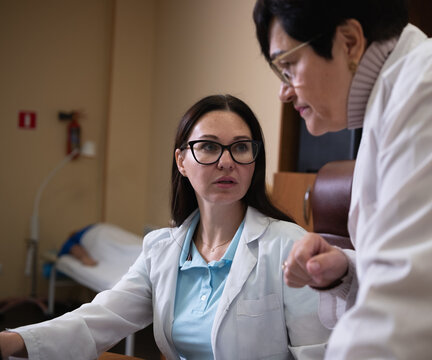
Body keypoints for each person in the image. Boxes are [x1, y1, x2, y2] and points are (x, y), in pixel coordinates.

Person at [253, 0, 432, 359]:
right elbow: (429, 271)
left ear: (349, 42)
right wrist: (347, 272)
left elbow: (402, 323)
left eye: (289, 65)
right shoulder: (397, 101)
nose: (285, 90)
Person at [0, 94, 330, 360]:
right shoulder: (161, 249)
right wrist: (13, 340)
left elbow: (319, 353)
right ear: (181, 161)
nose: (226, 161)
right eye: (209, 146)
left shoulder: (287, 245)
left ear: (254, 161)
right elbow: (99, 319)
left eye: (241, 147)